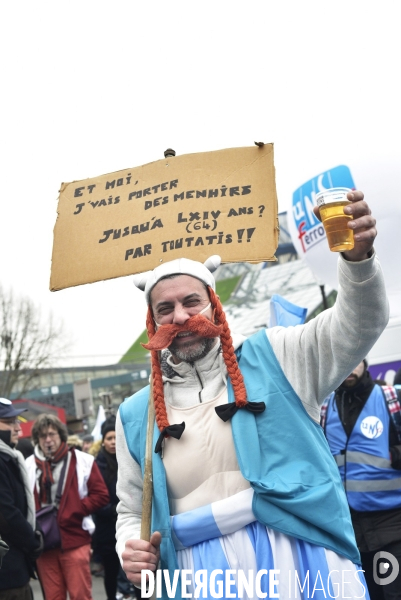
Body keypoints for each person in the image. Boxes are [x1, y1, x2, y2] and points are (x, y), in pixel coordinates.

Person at [116, 191, 388, 598]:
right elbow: (131, 509)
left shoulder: (280, 354)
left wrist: (358, 260)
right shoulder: (134, 414)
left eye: (193, 302)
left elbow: (359, 325)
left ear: (215, 306)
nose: (181, 317)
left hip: (299, 561)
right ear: (152, 322)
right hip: (198, 577)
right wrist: (128, 548)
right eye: (165, 309)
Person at [321, 359, 401, 599]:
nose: (349, 367)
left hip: (392, 524)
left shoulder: (391, 398)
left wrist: (394, 454)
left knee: (394, 593)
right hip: (351, 529)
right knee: (369, 594)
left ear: (365, 362)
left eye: (354, 361)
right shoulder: (325, 407)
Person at [25, 413, 109, 600]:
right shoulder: (28, 465)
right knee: (54, 597)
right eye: (43, 436)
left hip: (75, 538)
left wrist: (76, 509)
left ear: (61, 435)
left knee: (80, 595)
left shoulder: (82, 460)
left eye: (52, 434)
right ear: (37, 439)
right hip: (44, 544)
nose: (48, 440)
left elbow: (101, 495)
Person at [0, 398, 42, 600]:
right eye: (9, 422)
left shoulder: (9, 457)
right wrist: (32, 541)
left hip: (14, 567)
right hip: (7, 574)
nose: (18, 427)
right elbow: (6, 514)